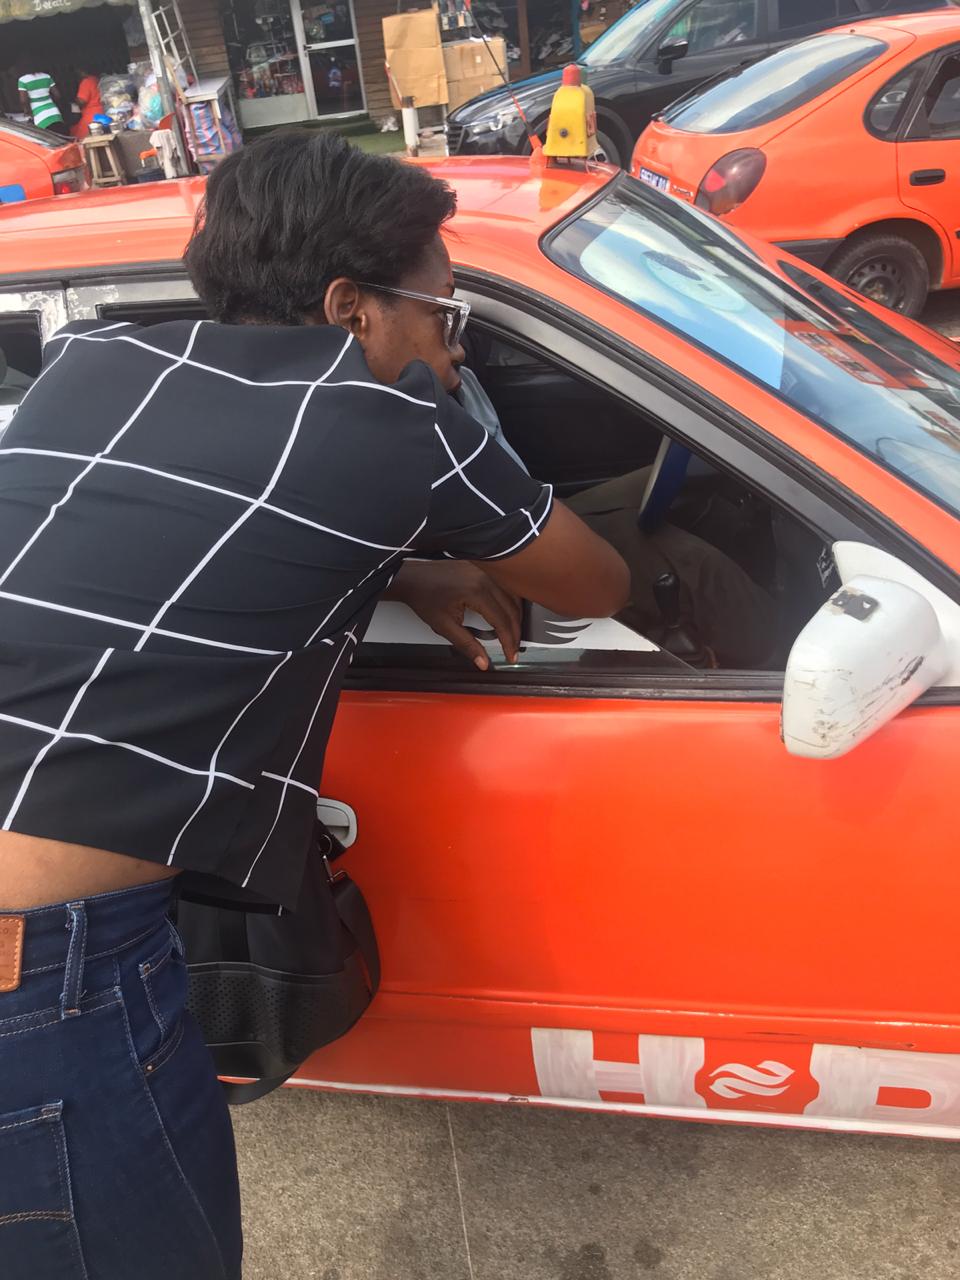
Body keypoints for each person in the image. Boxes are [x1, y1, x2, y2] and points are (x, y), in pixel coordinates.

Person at [0, 131, 627, 1280]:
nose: (452, 351)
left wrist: (399, 565)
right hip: (41, 969)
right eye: (444, 314)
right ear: (350, 307)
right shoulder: (404, 429)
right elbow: (598, 584)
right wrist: (431, 530)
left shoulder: (90, 362)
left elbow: (172, 530)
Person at [456, 364, 779, 668]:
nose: (457, 349)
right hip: (502, 540)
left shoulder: (459, 377)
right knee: (695, 565)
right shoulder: (431, 411)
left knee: (698, 482)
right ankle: (776, 657)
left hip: (529, 507)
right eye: (443, 327)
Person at [17, 66, 69, 135]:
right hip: (54, 113)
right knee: (63, 135)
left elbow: (23, 100)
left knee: (48, 138)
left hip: (39, 115)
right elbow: (57, 95)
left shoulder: (23, 80)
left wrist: (27, 111)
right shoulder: (47, 76)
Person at [70, 65, 103, 140]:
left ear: (81, 71)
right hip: (101, 111)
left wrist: (75, 102)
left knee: (81, 138)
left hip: (91, 115)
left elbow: (82, 101)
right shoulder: (96, 79)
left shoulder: (86, 82)